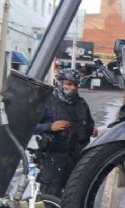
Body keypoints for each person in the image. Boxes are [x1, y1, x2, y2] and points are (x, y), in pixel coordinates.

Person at [33, 68, 97, 197]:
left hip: (77, 160)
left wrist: (91, 130)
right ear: (60, 83)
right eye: (69, 84)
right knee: (50, 200)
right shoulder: (48, 102)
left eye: (75, 85)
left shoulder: (81, 104)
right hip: (54, 160)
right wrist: (50, 127)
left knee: (75, 199)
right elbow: (30, 126)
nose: (73, 88)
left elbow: (88, 123)